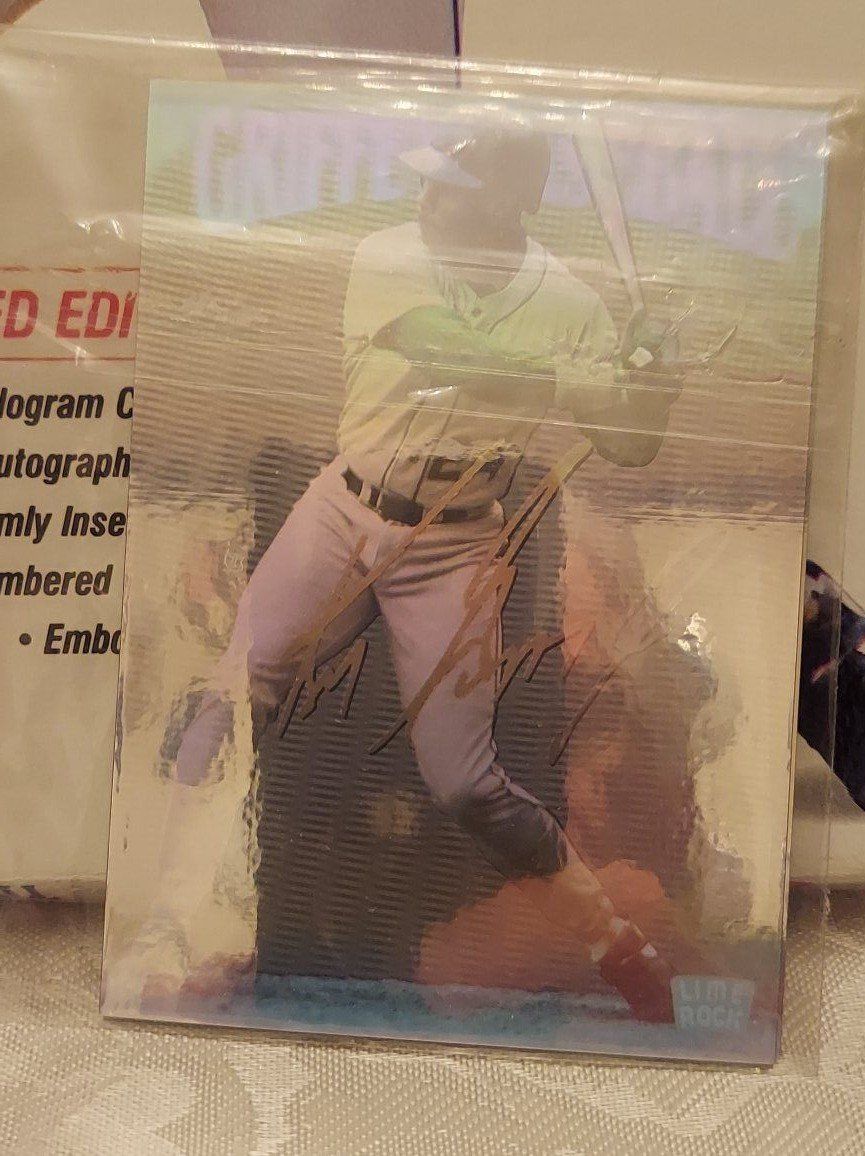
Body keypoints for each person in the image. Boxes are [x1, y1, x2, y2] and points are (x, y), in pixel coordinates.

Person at [174, 128, 683, 1022]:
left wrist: (651, 381)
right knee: (228, 693)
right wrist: (580, 376)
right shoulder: (387, 254)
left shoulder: (567, 302)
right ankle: (161, 919)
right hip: (343, 512)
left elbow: (630, 445)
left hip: (455, 545)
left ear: (508, 202)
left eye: (451, 185)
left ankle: (614, 944)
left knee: (465, 782)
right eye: (431, 181)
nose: (426, 197)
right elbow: (445, 353)